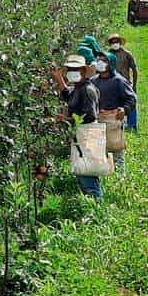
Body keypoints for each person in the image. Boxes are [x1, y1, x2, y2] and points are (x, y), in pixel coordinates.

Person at [52, 54, 102, 199]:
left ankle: (97, 207)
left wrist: (67, 119)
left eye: (75, 69)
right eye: (69, 69)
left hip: (87, 136)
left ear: (83, 71)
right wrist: (58, 78)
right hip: (81, 136)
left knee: (87, 172)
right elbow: (68, 96)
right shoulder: (78, 88)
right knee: (82, 171)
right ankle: (92, 207)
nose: (72, 72)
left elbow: (90, 116)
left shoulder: (87, 90)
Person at [91, 51, 137, 168]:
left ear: (110, 64)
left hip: (113, 120)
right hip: (97, 119)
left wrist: (124, 109)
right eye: (99, 60)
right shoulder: (93, 81)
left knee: (115, 148)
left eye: (104, 61)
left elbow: (131, 98)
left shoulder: (118, 81)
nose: (100, 63)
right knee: (99, 150)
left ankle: (120, 178)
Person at [107, 33, 139, 131]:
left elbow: (134, 69)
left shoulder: (127, 54)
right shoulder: (108, 55)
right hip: (112, 84)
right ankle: (118, 125)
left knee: (131, 103)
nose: (115, 44)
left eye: (116, 42)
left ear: (120, 42)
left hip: (126, 83)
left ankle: (132, 125)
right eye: (113, 42)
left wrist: (134, 85)